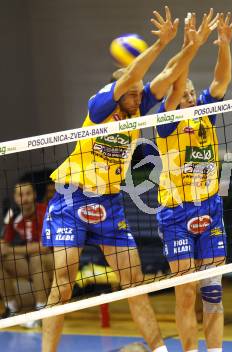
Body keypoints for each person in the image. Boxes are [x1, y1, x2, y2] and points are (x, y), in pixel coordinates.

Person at [40, 7, 206, 352]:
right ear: (121, 90)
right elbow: (135, 73)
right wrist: (159, 45)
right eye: (133, 91)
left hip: (110, 202)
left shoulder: (137, 103)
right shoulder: (100, 105)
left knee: (134, 282)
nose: (140, 97)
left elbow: (170, 73)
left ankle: (159, 349)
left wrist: (192, 44)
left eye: (140, 93)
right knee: (64, 284)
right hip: (73, 198)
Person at [155, 12, 232, 352]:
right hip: (176, 213)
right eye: (184, 93)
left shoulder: (205, 111)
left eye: (191, 93)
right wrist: (190, 45)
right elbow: (176, 86)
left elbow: (220, 81)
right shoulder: (166, 120)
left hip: (210, 209)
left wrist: (224, 47)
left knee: (213, 292)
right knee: (186, 292)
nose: (189, 96)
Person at [0, 179, 54, 327]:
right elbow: (4, 242)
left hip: (53, 262)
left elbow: (44, 247)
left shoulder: (45, 211)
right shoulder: (12, 215)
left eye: (28, 193)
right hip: (31, 264)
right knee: (3, 259)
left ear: (34, 195)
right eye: (20, 195)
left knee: (37, 257)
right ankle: (11, 309)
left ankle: (41, 313)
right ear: (16, 198)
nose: (24, 198)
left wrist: (11, 249)